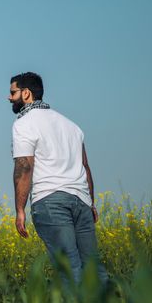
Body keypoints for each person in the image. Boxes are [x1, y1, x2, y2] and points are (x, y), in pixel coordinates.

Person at [9, 72, 108, 286]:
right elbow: (85, 167)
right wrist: (90, 203)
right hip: (81, 201)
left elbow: (24, 167)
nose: (9, 98)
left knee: (70, 269)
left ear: (26, 94)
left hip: (50, 201)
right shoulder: (72, 126)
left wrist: (20, 209)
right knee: (93, 267)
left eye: (13, 92)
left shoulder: (23, 124)